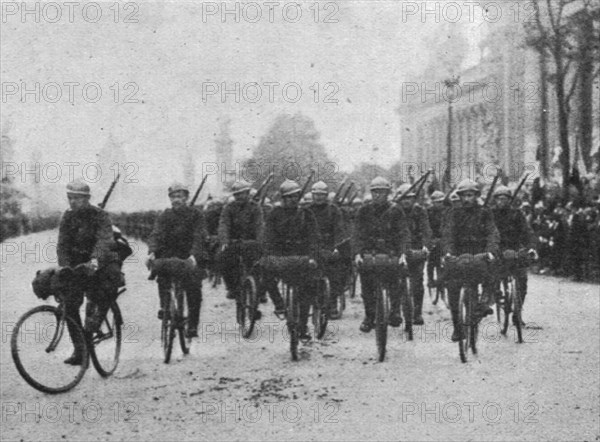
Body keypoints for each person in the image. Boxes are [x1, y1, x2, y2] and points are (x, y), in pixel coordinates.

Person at [57, 180, 122, 365]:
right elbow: (62, 245)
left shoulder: (99, 215)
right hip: (79, 265)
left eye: (76, 198)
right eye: (70, 198)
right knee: (69, 304)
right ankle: (80, 350)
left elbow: (104, 241)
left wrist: (95, 260)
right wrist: (65, 267)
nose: (72, 202)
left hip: (101, 263)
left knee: (105, 290)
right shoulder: (67, 217)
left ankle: (95, 324)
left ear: (86, 199)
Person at [442, 179, 500, 342]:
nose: (467, 199)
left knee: (492, 272)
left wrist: (490, 251)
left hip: (479, 254)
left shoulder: (485, 212)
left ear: (476, 196)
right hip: (458, 255)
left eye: (470, 195)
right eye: (464, 196)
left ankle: (484, 304)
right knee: (452, 287)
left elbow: (492, 233)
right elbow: (448, 234)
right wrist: (447, 253)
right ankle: (457, 327)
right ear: (459, 197)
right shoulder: (453, 213)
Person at [146, 183, 207, 338]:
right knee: (162, 276)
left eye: (179, 196)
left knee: (194, 287)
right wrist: (152, 252)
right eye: (173, 197)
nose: (176, 200)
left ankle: (192, 325)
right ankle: (165, 308)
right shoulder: (165, 215)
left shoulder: (196, 215)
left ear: (186, 198)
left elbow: (199, 236)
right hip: (169, 254)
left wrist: (194, 255)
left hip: (189, 255)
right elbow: (156, 234)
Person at [263, 180, 319, 340]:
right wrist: (268, 255)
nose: (292, 200)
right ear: (283, 198)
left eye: (295, 196)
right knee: (265, 272)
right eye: (288, 197)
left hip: (302, 256)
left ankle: (303, 325)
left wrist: (313, 257)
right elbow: (267, 236)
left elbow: (314, 237)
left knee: (308, 287)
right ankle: (279, 305)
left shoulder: (307, 214)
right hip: (280, 256)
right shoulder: (274, 214)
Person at [354, 177, 411, 333]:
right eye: (375, 192)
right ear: (371, 193)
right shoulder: (363, 210)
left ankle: (394, 311)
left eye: (382, 192)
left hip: (390, 253)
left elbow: (403, 233)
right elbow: (357, 234)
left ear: (388, 193)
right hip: (369, 254)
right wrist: (357, 254)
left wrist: (403, 254)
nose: (378, 195)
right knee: (366, 286)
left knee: (395, 283)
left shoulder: (396, 210)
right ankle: (369, 317)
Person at [491, 186, 537, 325]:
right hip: (497, 249)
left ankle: (517, 313)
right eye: (499, 199)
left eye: (505, 199)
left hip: (515, 249)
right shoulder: (490, 214)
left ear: (510, 200)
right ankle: (496, 294)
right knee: (493, 274)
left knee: (522, 280)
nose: (502, 201)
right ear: (495, 200)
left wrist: (531, 248)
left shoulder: (517, 214)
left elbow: (527, 232)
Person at [218, 180, 264, 304]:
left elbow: (259, 225)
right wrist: (224, 241)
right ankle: (231, 287)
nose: (239, 197)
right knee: (223, 259)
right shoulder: (228, 208)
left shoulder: (255, 207)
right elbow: (224, 224)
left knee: (260, 263)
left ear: (248, 193)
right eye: (236, 194)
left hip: (251, 243)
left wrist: (260, 241)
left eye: (242, 193)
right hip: (233, 242)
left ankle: (260, 290)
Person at [308, 180, 346, 319]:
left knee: (335, 274)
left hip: (329, 246)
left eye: (322, 195)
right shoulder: (307, 210)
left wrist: (337, 247)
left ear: (326, 196)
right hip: (311, 246)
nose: (319, 197)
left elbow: (339, 230)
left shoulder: (334, 210)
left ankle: (333, 303)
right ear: (312, 195)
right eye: (316, 194)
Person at [396, 183, 432, 325]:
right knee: (395, 281)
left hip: (416, 249)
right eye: (404, 198)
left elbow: (426, 230)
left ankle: (417, 313)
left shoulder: (420, 211)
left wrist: (425, 247)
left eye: (410, 198)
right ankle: (396, 311)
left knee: (417, 283)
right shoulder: (394, 211)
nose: (406, 201)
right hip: (397, 250)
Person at [426, 190, 446, 291]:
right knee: (431, 260)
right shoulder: (428, 211)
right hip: (433, 237)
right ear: (433, 202)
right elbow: (426, 227)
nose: (440, 204)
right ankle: (430, 279)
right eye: (437, 202)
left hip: (444, 237)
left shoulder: (446, 211)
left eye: (441, 202)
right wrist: (431, 239)